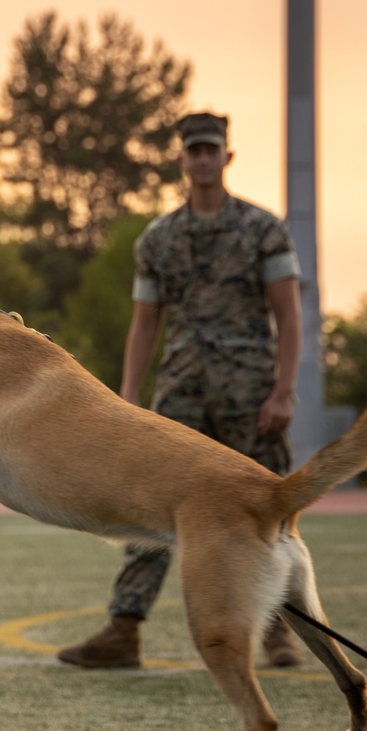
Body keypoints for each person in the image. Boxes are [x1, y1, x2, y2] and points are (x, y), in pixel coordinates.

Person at [57, 110, 303, 671]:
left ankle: (279, 633)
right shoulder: (159, 239)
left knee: (271, 515)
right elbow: (146, 324)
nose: (202, 159)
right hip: (182, 394)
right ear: (181, 159)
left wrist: (284, 392)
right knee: (150, 507)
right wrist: (123, 399)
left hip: (252, 396)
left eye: (211, 149)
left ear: (227, 156)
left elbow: (288, 316)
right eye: (193, 150)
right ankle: (123, 630)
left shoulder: (265, 230)